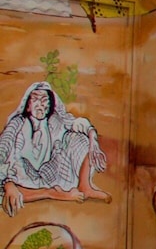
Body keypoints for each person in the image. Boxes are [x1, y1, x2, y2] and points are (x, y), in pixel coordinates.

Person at [0, 82, 109, 217]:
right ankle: (53, 194)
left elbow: (76, 124)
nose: (40, 104)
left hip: (50, 174)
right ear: (27, 106)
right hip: (22, 176)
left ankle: (85, 186)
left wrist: (92, 137)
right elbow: (2, 151)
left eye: (44, 100)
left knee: (78, 138)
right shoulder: (17, 123)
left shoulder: (54, 121)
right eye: (35, 99)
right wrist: (8, 184)